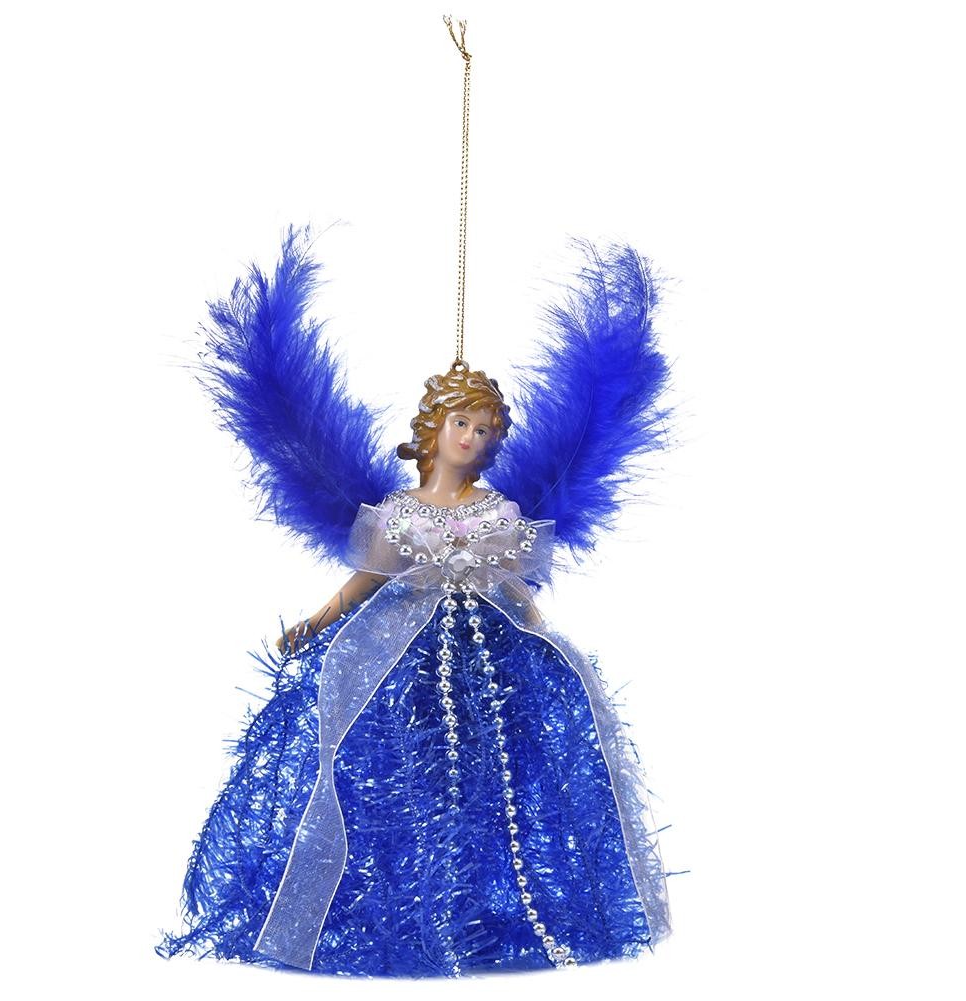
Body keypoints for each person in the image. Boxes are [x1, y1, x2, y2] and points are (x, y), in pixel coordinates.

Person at [157, 360, 673, 977]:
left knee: (490, 782)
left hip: (493, 670)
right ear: (433, 427)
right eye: (462, 423)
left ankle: (473, 906)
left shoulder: (501, 512)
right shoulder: (397, 513)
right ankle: (401, 910)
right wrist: (315, 622)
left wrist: (546, 639)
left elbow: (517, 593)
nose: (471, 438)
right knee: (399, 778)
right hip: (402, 663)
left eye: (485, 429)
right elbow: (366, 580)